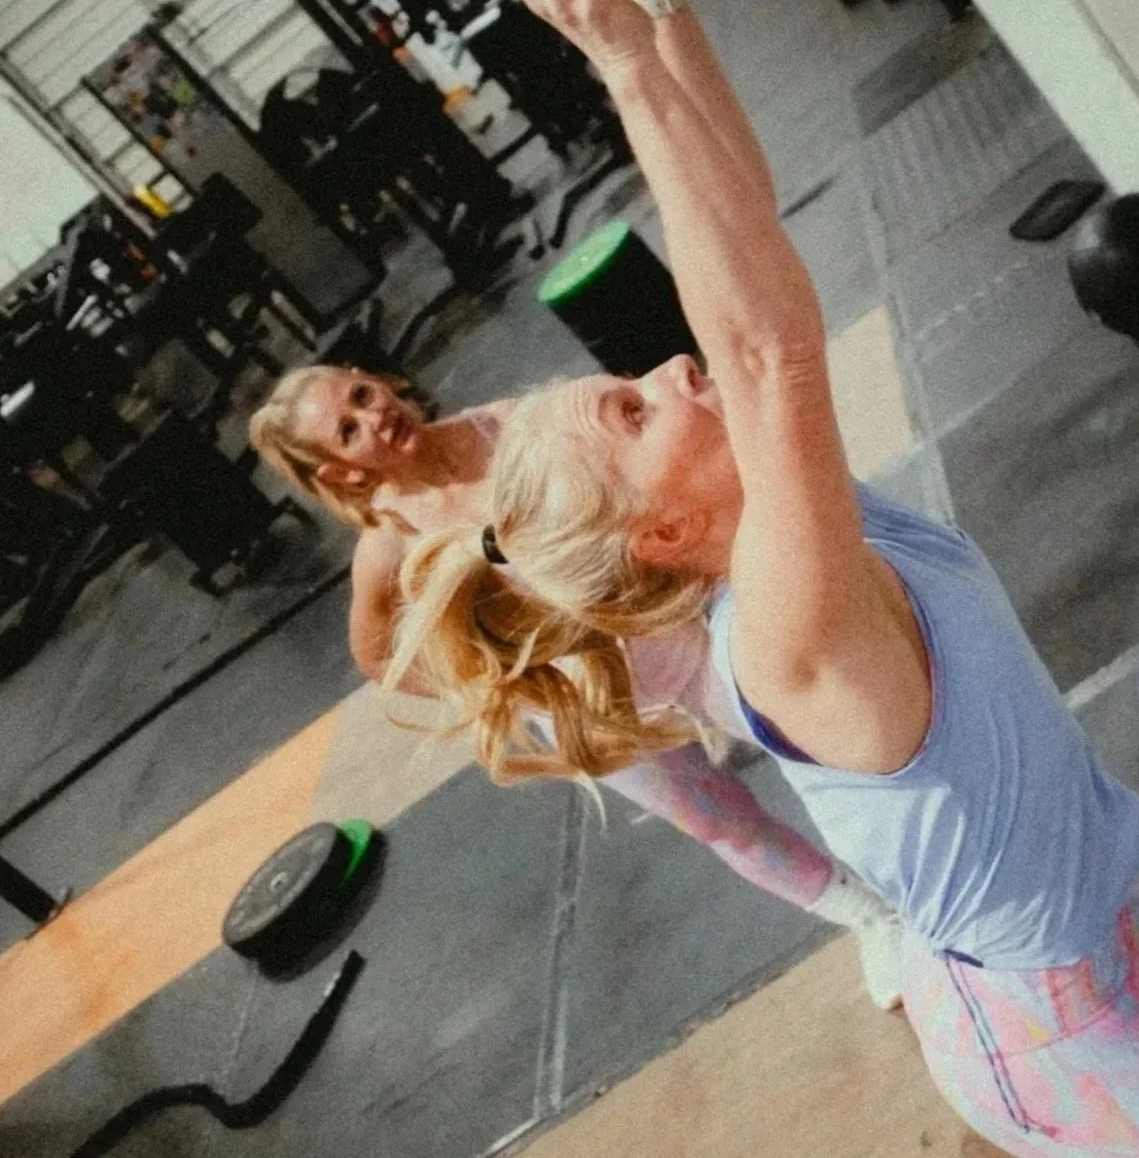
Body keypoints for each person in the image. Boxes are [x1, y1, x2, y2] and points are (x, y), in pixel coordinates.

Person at [395, 0, 1139, 1158]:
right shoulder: (784, 624)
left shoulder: (788, 523)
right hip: (1047, 1026)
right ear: (657, 534)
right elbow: (762, 339)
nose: (665, 367)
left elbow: (744, 224)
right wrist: (614, 57)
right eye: (629, 410)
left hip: (1080, 922)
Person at [248, 363, 904, 1010]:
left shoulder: (505, 428)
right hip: (586, 704)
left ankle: (904, 859)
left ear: (375, 379)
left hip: (669, 638)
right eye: (348, 429)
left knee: (807, 729)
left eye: (362, 395)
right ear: (339, 472)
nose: (374, 417)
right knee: (715, 818)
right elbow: (375, 654)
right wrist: (495, 678)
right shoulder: (388, 545)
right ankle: (868, 915)